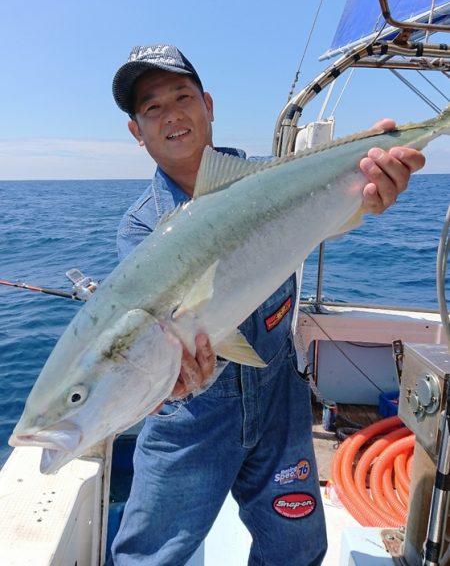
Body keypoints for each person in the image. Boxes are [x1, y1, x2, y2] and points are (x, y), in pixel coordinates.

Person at [109, 44, 425, 566]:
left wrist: (371, 192)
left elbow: (337, 209)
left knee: (297, 550)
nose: (172, 115)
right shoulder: (142, 229)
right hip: (191, 417)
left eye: (182, 96)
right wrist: (172, 374)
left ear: (208, 104)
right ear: (136, 131)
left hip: (279, 396)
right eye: (151, 108)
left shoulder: (277, 178)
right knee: (148, 557)